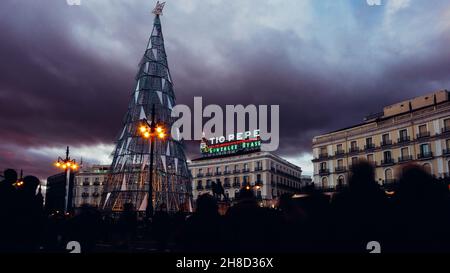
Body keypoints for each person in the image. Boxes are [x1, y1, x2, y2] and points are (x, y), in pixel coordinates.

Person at [0, 169, 19, 252]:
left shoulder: (3, 186)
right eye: (15, 176)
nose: (16, 178)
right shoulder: (10, 189)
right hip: (7, 217)